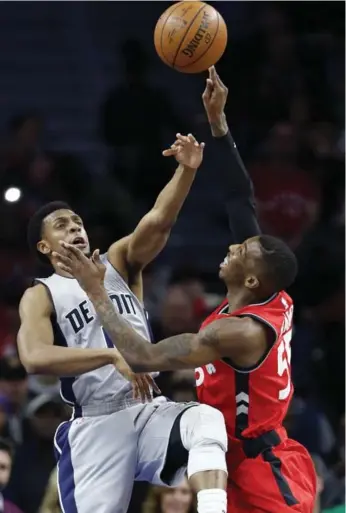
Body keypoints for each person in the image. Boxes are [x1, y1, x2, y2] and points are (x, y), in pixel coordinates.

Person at [59, 67, 317, 513]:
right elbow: (242, 201)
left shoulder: (238, 333)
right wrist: (219, 124)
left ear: (251, 280)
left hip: (262, 470)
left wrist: (96, 291)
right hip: (227, 458)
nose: (234, 245)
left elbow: (144, 357)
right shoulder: (269, 291)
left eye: (241, 251)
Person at [17, 136, 229, 513]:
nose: (75, 229)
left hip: (146, 406)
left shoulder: (117, 262)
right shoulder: (41, 294)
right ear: (44, 247)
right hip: (97, 423)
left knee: (204, 420)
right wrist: (109, 355)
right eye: (62, 226)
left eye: (77, 222)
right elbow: (33, 357)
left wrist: (187, 170)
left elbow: (159, 222)